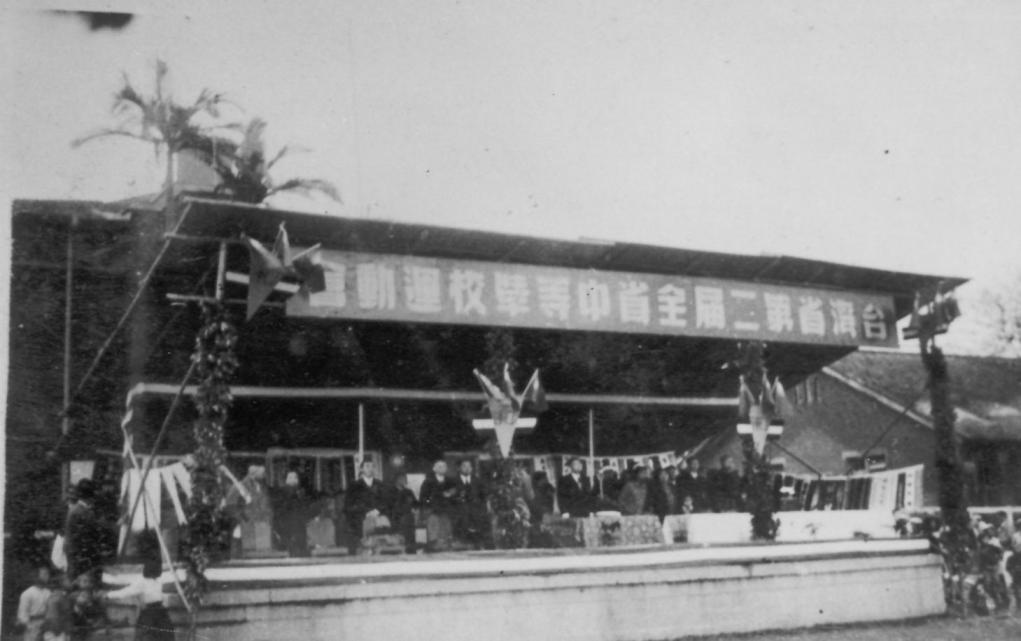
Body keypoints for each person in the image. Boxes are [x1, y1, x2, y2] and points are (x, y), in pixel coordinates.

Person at [105, 557, 175, 641]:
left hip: (159, 611)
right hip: (150, 612)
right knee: (146, 635)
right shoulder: (142, 582)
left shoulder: (158, 580)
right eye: (157, 568)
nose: (159, 570)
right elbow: (126, 591)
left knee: (166, 633)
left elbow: (173, 576)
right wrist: (109, 595)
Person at [224, 465, 273, 557]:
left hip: (261, 525)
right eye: (261, 474)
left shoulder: (261, 487)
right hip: (245, 524)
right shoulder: (240, 486)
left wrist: (267, 515)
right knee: (241, 546)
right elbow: (230, 504)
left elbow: (264, 504)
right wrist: (242, 518)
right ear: (253, 475)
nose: (264, 476)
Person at [344, 460, 392, 552]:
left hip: (379, 516)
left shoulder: (380, 484)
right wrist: (365, 513)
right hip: (361, 517)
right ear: (361, 469)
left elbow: (385, 501)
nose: (370, 469)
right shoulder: (354, 485)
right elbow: (349, 504)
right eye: (367, 466)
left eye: (372, 466)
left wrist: (378, 510)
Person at [65, 479, 105, 584]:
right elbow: (86, 535)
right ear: (90, 497)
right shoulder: (80, 512)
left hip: (78, 552)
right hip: (80, 554)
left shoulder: (78, 510)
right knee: (80, 583)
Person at [419, 460, 456, 552]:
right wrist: (428, 504)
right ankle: (434, 546)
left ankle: (446, 545)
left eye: (443, 466)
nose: (442, 468)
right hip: (433, 509)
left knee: (446, 528)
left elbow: (455, 493)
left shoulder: (450, 481)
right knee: (433, 528)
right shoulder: (428, 481)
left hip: (447, 509)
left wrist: (450, 494)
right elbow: (423, 496)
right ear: (434, 469)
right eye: (439, 467)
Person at [452, 459, 489, 549]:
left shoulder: (478, 481)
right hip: (459, 516)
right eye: (464, 466)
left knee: (476, 541)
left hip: (476, 516)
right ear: (459, 468)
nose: (467, 468)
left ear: (472, 468)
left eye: (469, 466)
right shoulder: (453, 481)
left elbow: (483, 497)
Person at [274, 470, 310, 557]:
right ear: (286, 479)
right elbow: (281, 507)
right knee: (291, 544)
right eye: (291, 477)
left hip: (299, 522)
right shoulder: (283, 491)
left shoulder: (300, 491)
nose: (293, 479)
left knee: (300, 543)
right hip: (288, 523)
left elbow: (303, 506)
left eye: (295, 477)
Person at [17, 566, 52, 641]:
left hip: (46, 625)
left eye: (48, 574)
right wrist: (29, 626)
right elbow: (22, 614)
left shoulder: (48, 593)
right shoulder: (27, 593)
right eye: (44, 574)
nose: (47, 577)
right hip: (32, 625)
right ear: (37, 576)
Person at [390, 473, 419, 553]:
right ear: (397, 480)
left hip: (409, 517)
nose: (404, 480)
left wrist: (415, 509)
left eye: (405, 478)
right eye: (402, 478)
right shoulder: (391, 491)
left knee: (410, 534)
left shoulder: (409, 491)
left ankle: (411, 549)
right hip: (396, 518)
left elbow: (416, 504)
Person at [40, 572, 73, 641]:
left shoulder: (62, 596)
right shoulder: (57, 597)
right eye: (67, 580)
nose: (70, 582)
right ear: (61, 583)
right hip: (56, 633)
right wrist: (58, 632)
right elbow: (52, 617)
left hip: (59, 630)